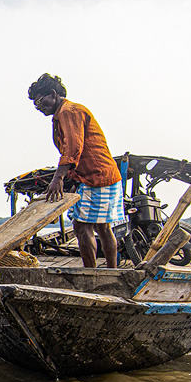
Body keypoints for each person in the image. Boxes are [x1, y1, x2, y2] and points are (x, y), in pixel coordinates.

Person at [28, 73, 126, 268]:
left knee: (82, 227)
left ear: (53, 94)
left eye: (40, 100)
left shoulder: (68, 111)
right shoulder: (62, 115)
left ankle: (91, 273)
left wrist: (58, 178)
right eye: (35, 104)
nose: (38, 107)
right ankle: (111, 270)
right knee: (103, 227)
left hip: (96, 177)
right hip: (98, 176)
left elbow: (73, 148)